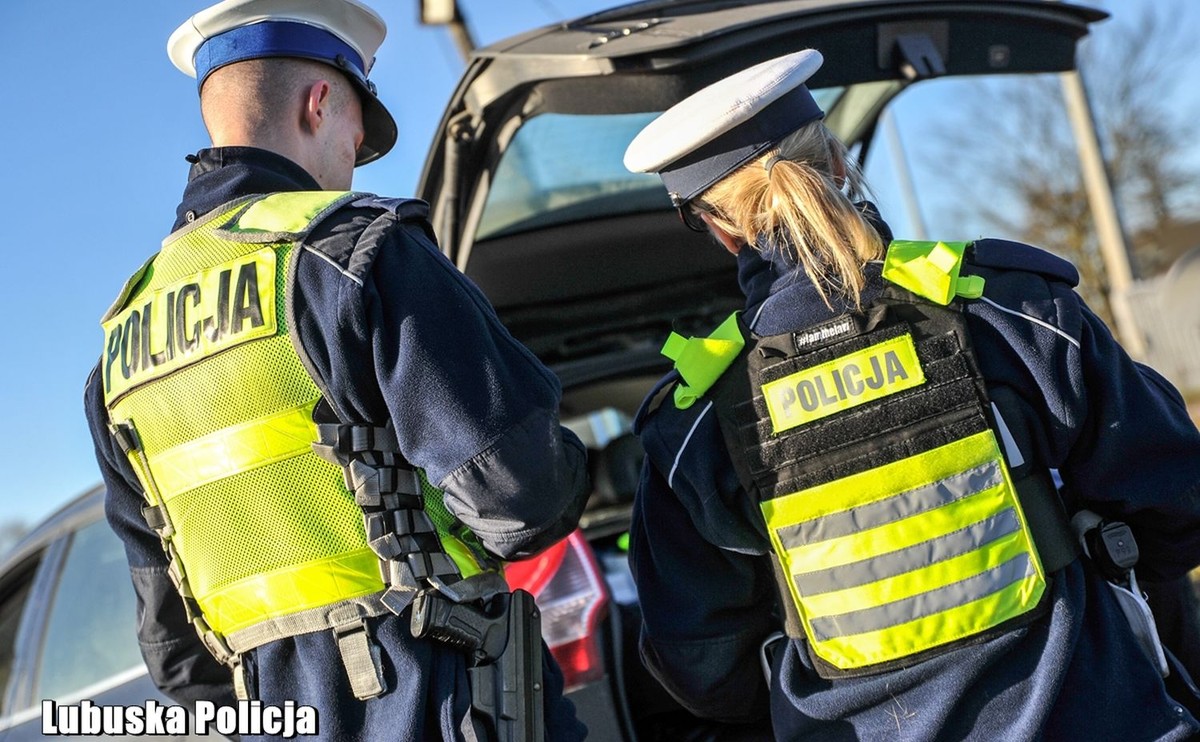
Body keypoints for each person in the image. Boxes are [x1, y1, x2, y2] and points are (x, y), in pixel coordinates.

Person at [623, 49, 1200, 740]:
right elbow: (1177, 499)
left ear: (718, 229)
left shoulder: (697, 423)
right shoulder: (1011, 313)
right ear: (838, 164)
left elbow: (700, 666)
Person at [83, 1, 590, 739]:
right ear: (319, 104)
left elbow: (174, 652)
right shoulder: (354, 255)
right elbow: (521, 497)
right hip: (446, 705)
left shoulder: (120, 348)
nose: (356, 159)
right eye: (360, 134)